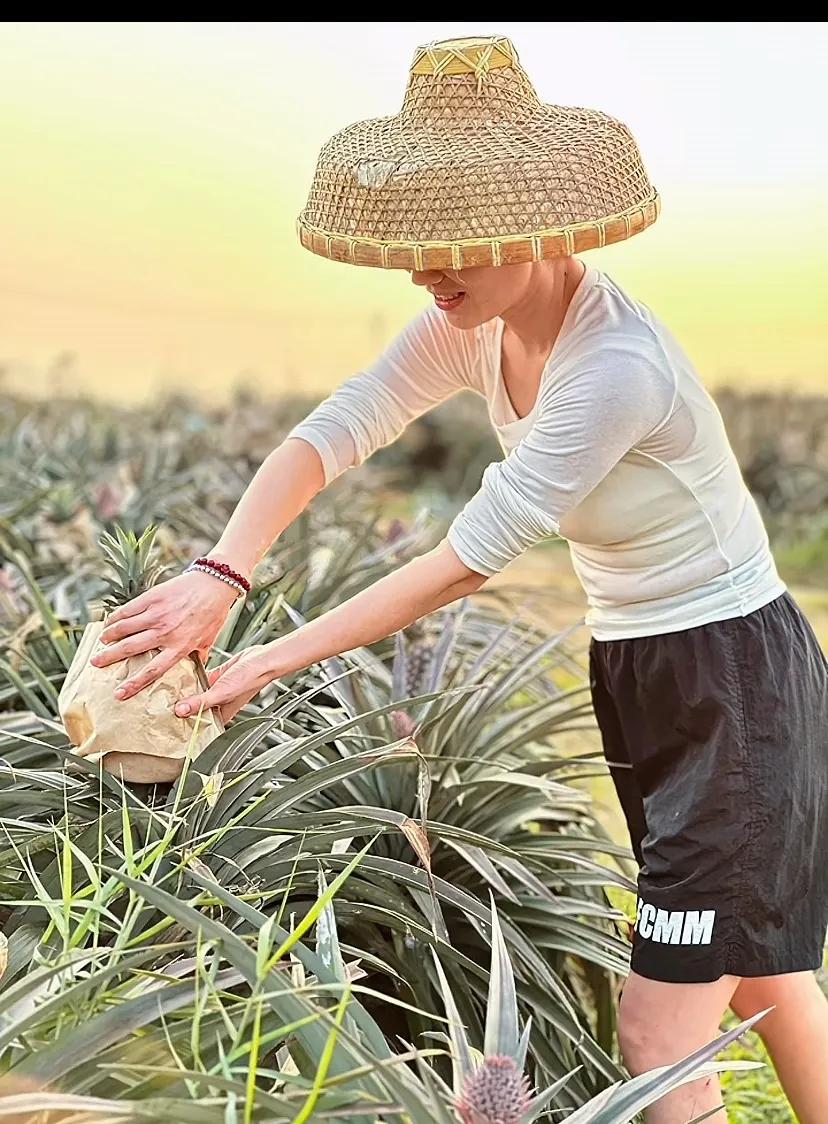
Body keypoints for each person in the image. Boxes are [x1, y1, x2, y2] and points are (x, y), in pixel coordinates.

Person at [89, 35, 828, 1123]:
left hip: (735, 686)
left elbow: (461, 562)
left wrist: (259, 661)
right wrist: (220, 569)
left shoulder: (612, 366)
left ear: (535, 228)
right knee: (762, 969)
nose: (429, 270)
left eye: (455, 244)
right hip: (641, 667)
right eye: (418, 245)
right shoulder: (470, 322)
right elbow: (335, 431)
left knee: (661, 1029)